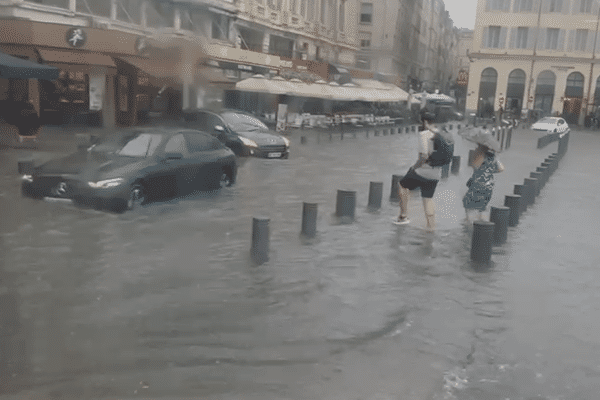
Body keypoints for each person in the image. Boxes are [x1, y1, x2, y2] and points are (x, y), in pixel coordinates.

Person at [395, 112, 442, 231]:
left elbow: (424, 156)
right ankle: (431, 227)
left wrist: (414, 167)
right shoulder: (440, 134)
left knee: (402, 185)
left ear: (425, 122)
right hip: (436, 173)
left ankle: (403, 216)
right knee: (428, 198)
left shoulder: (424, 134)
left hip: (423, 171)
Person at [463, 142, 505, 221]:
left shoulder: (479, 155)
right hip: (489, 186)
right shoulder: (493, 157)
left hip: (477, 186)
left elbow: (475, 166)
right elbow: (501, 169)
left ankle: (470, 225)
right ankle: (483, 224)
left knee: (468, 205)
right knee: (482, 207)